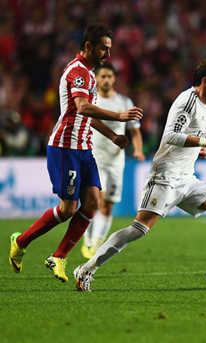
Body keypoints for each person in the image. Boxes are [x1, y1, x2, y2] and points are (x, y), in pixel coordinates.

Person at [73, 59, 206, 292]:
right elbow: (171, 136)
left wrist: (198, 148)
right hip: (164, 177)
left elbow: (186, 136)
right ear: (205, 82)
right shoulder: (188, 101)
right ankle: (86, 269)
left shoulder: (205, 105)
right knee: (138, 229)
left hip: (186, 179)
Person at [8, 24, 143, 283]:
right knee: (68, 209)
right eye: (104, 48)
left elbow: (87, 115)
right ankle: (21, 241)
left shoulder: (90, 75)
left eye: (110, 49)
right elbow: (82, 107)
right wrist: (118, 116)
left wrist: (113, 135)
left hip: (84, 148)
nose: (107, 54)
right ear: (89, 46)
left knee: (93, 202)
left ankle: (58, 256)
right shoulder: (77, 72)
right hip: (64, 147)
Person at [81, 63, 145, 259]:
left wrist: (138, 149)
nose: (107, 80)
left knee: (108, 205)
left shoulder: (125, 102)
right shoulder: (92, 101)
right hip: (94, 156)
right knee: (96, 199)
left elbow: (135, 130)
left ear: (114, 78)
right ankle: (87, 241)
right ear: (97, 79)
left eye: (110, 76)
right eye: (103, 76)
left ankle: (96, 242)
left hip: (116, 160)